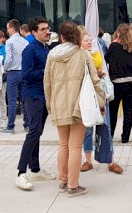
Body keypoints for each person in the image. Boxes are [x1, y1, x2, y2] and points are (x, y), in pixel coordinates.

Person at [45, 21, 105, 198]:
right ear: (77, 36)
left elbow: (46, 83)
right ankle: (73, 185)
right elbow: (95, 81)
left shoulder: (51, 55)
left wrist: (50, 104)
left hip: (58, 104)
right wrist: (101, 103)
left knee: (63, 145)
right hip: (80, 105)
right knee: (75, 146)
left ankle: (63, 181)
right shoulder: (82, 54)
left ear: (62, 37)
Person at [15, 17, 55, 190]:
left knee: (37, 132)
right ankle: (21, 173)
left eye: (47, 28)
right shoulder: (30, 50)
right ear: (33, 32)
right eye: (43, 29)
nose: (47, 31)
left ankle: (36, 169)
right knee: (34, 131)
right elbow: (26, 75)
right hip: (32, 95)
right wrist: (47, 71)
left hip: (44, 95)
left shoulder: (46, 48)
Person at [78, 29, 123, 175]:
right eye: (86, 40)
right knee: (87, 129)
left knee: (105, 127)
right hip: (86, 96)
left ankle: (110, 160)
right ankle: (88, 160)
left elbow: (101, 71)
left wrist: (99, 74)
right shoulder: (78, 56)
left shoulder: (96, 54)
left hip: (99, 95)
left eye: (89, 40)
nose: (89, 42)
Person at [105, 23, 132, 143]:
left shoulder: (114, 46)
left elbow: (106, 59)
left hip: (116, 82)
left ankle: (110, 135)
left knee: (113, 111)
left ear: (118, 32)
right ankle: (125, 137)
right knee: (128, 111)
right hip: (130, 82)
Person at [1, 19, 29, 134]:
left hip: (13, 72)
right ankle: (27, 124)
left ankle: (10, 126)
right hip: (23, 72)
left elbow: (9, 58)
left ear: (12, 28)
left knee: (12, 100)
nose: (7, 31)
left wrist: (5, 67)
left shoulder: (9, 42)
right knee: (25, 100)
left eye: (8, 28)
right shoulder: (25, 42)